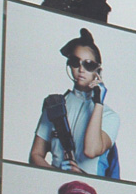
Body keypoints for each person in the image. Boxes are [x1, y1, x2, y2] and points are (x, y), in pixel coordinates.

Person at [29, 28, 120, 178]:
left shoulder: (109, 116)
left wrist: (98, 103)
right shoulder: (54, 105)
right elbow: (35, 154)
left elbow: (91, 151)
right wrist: (56, 175)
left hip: (91, 188)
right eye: (75, 62)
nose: (81, 69)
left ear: (98, 70)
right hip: (55, 184)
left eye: (89, 64)